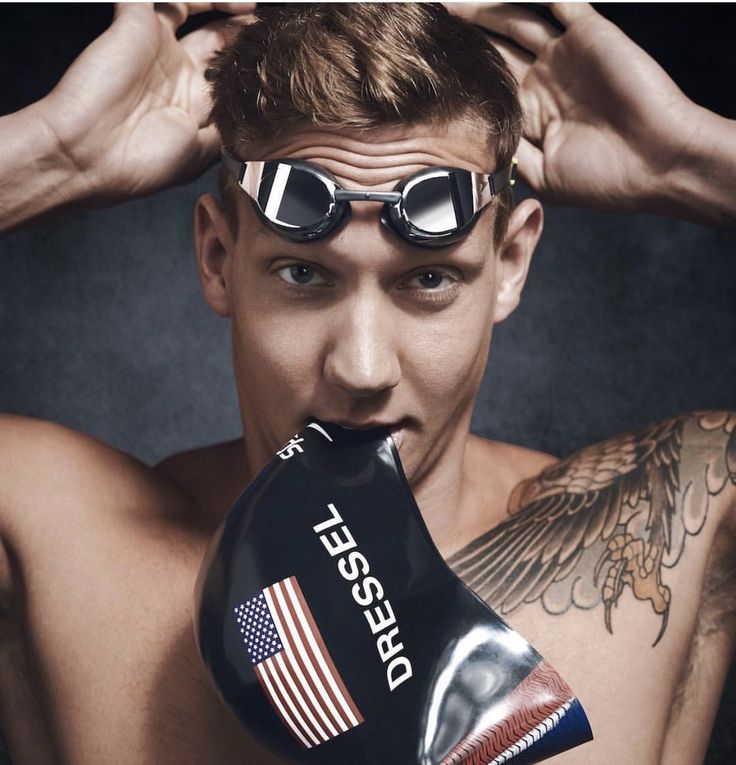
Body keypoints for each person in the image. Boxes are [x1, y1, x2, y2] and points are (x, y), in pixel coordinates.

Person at [0, 3, 733, 764]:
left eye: (428, 280)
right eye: (304, 273)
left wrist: (694, 165)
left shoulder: (665, 522)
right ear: (219, 256)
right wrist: (55, 156)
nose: (362, 367)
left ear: (509, 264)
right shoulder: (61, 535)